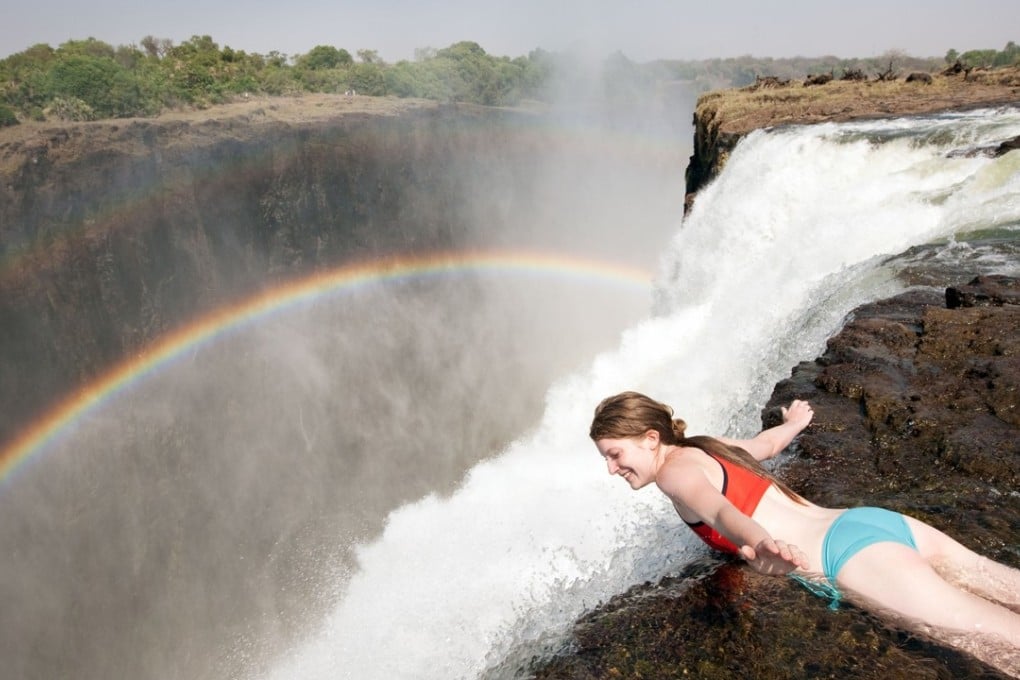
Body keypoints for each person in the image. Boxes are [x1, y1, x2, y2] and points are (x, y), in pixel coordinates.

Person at [589, 391, 1020, 675]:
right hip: (867, 521)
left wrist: (759, 544)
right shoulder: (704, 445)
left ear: (649, 438)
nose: (612, 468)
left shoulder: (673, 475)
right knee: (1003, 583)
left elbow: (721, 512)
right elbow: (766, 446)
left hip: (850, 557)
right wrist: (794, 423)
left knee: (995, 641)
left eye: (615, 454)